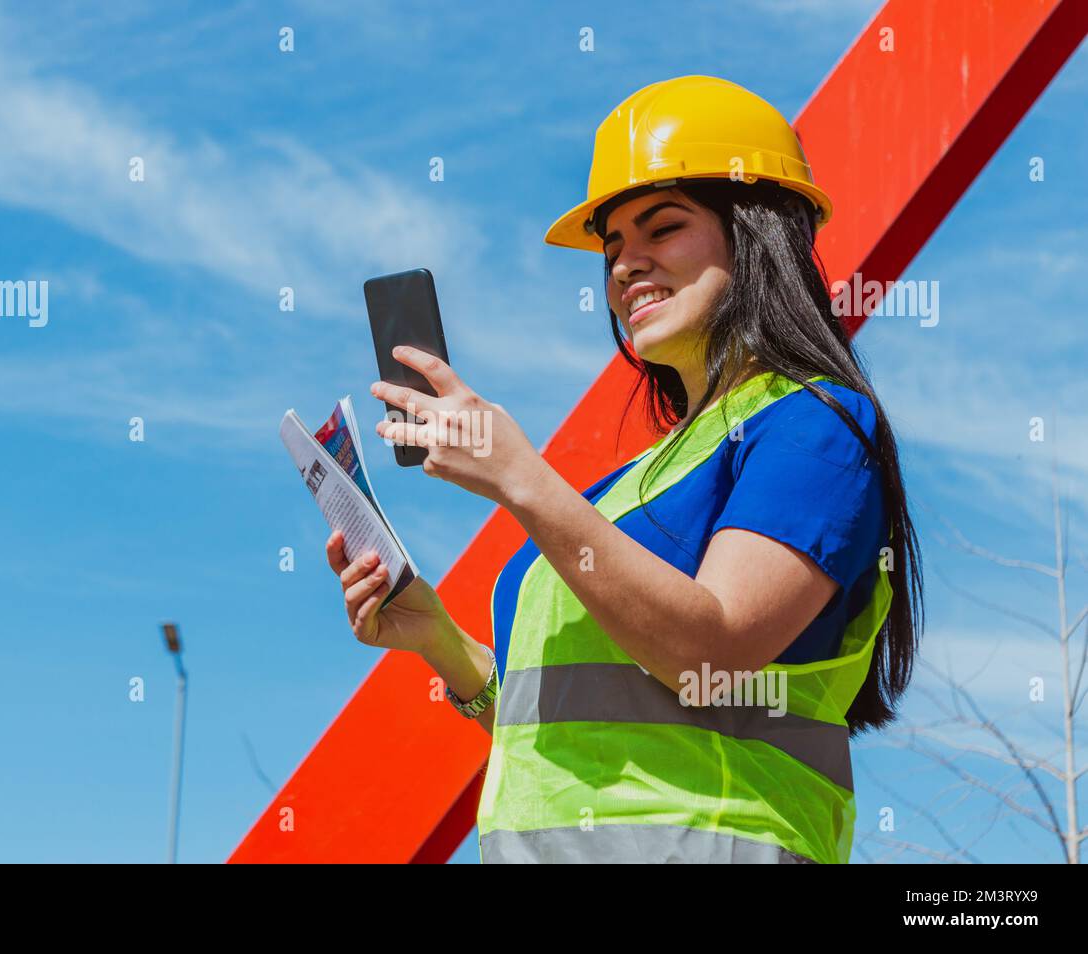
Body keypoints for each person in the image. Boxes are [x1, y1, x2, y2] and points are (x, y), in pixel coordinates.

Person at [325, 74, 922, 864]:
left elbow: (710, 658)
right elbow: (581, 720)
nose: (625, 266)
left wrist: (522, 479)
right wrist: (437, 638)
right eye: (612, 248)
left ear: (756, 233)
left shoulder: (813, 424)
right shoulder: (634, 485)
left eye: (661, 228)